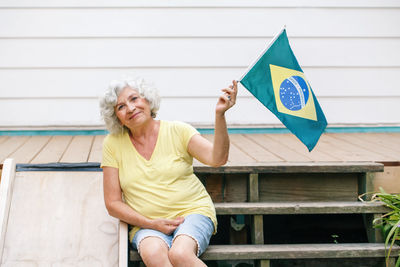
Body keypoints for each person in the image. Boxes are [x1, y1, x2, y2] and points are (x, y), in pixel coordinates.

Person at [99, 76, 237, 267]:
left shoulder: (178, 130)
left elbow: (217, 158)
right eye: (120, 107)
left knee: (180, 254)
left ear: (147, 100)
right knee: (154, 254)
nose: (130, 108)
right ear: (117, 118)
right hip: (146, 224)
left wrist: (220, 115)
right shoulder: (112, 144)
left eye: (134, 99)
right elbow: (113, 203)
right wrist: (151, 223)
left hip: (192, 212)